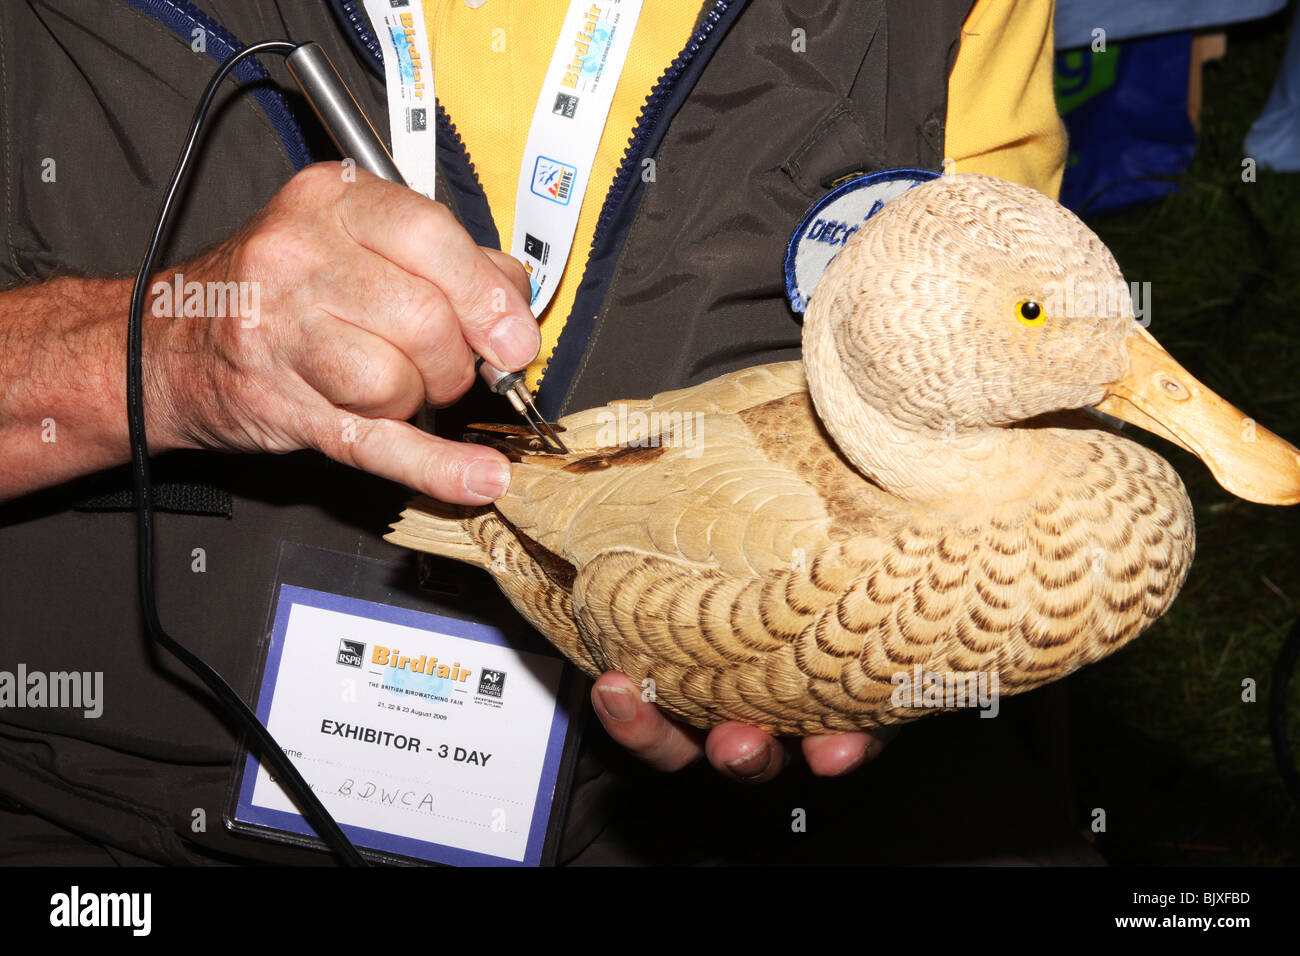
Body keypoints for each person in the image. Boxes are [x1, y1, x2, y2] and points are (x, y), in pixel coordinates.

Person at [0, 0, 1085, 864]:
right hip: (101, 807)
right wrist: (150, 353)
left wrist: (888, 642)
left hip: (701, 816)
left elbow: (995, 417)